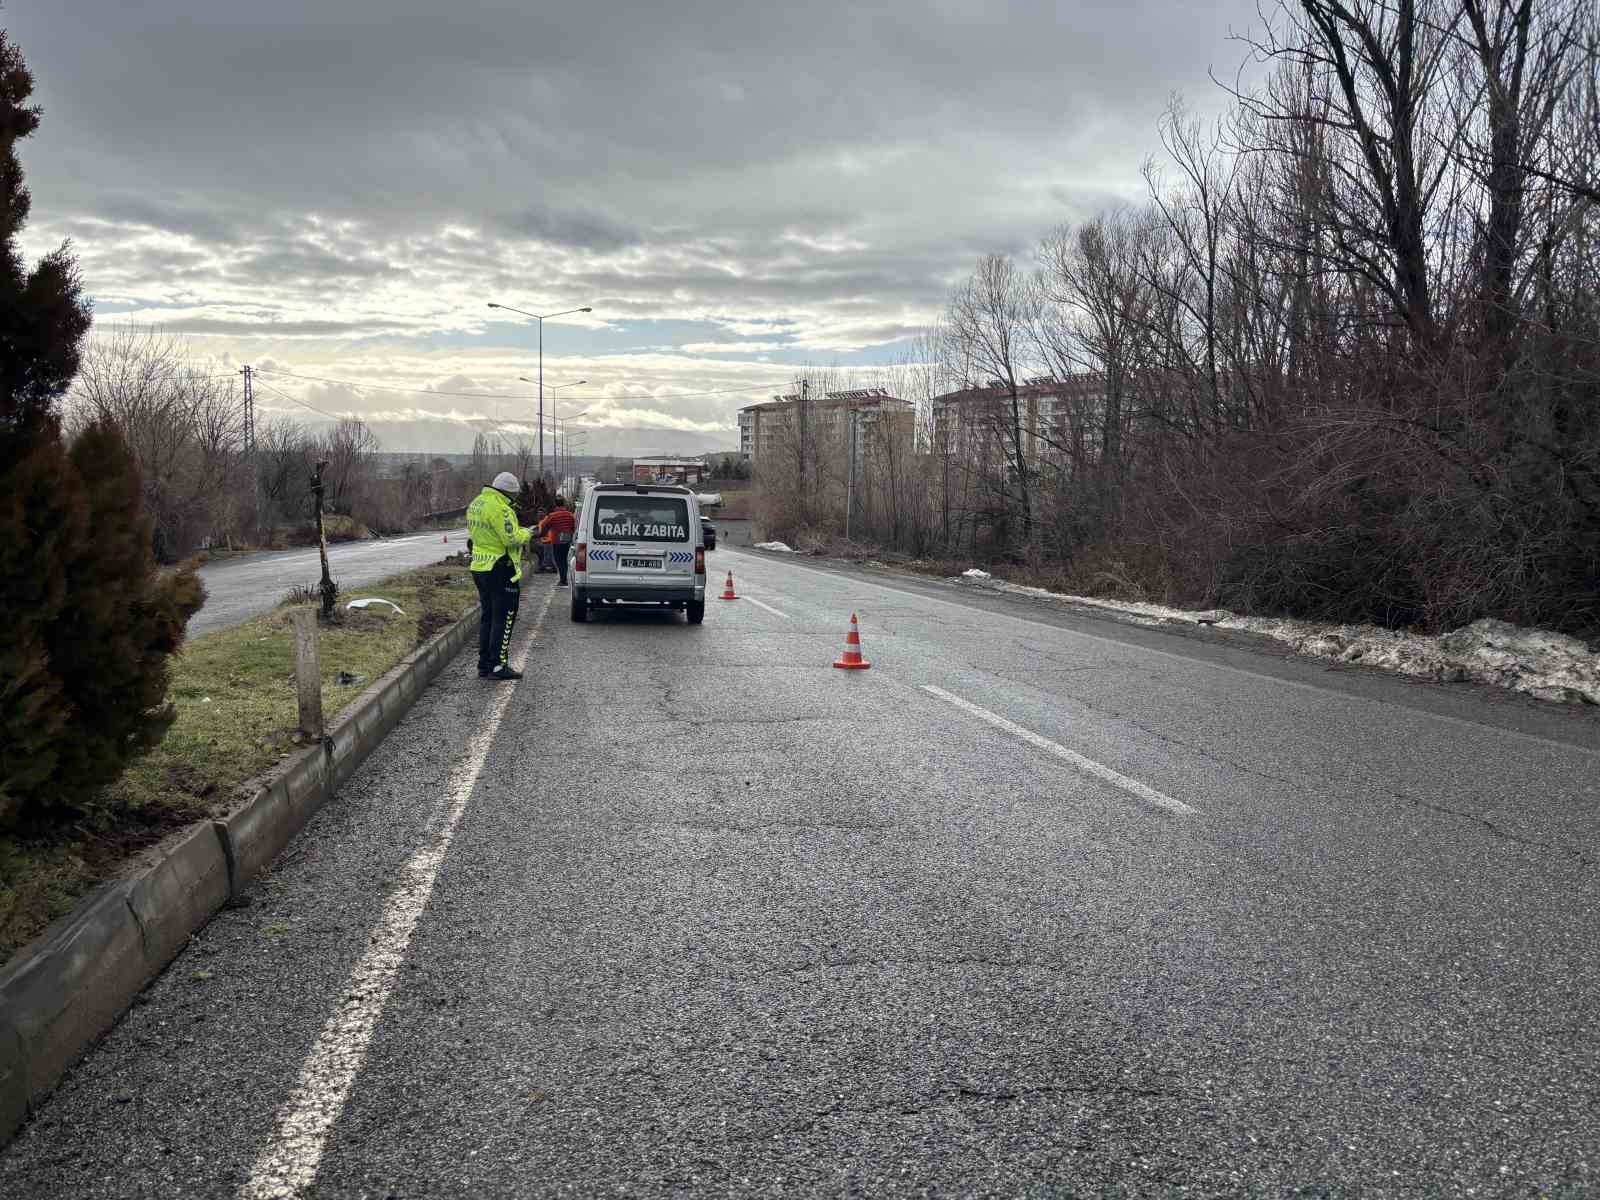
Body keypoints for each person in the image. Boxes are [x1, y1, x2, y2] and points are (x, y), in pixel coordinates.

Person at [466, 471, 532, 680]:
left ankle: (484, 663)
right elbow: (511, 539)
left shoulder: (476, 503)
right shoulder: (501, 508)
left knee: (488, 616)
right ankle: (498, 665)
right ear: (510, 492)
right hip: (500, 568)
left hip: (480, 567)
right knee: (504, 617)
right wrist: (528, 532)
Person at [538, 495, 577, 587]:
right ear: (564, 503)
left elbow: (543, 525)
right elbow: (574, 527)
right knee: (564, 559)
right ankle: (564, 579)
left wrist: (542, 533)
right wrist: (570, 533)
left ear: (555, 504)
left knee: (559, 560)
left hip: (557, 540)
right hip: (567, 540)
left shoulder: (552, 516)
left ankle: (563, 580)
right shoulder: (570, 515)